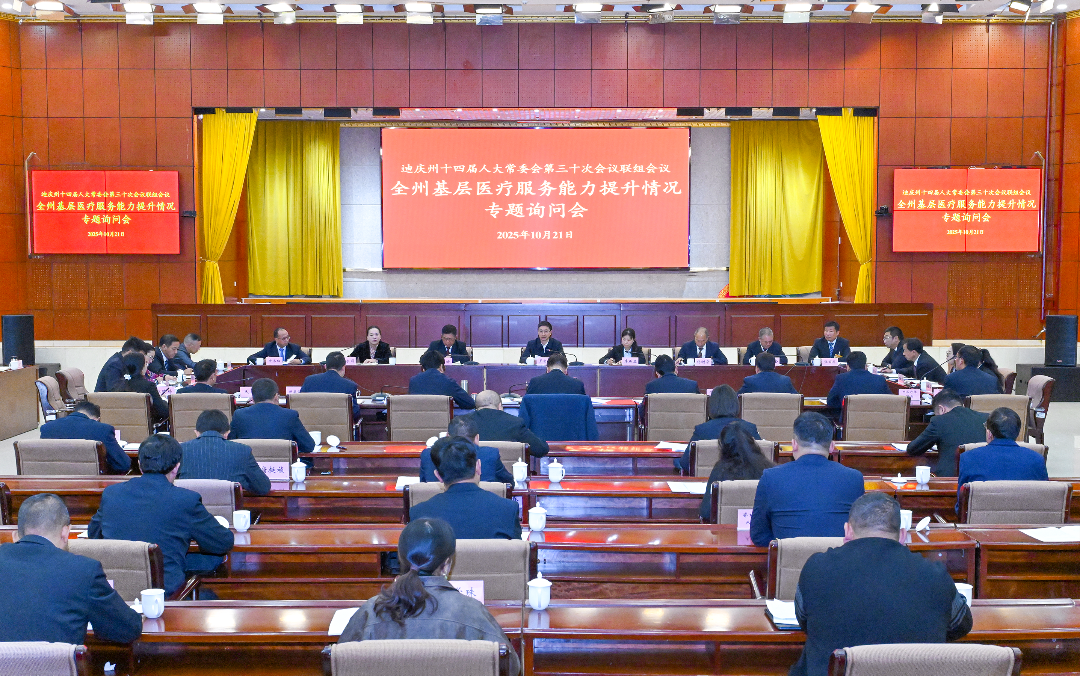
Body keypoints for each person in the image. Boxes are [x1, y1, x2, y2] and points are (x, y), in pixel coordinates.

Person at [790, 492, 972, 676]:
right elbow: (961, 625)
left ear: (847, 531)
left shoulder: (816, 568)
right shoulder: (935, 575)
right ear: (902, 535)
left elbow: (803, 620)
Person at [338, 518, 521, 676]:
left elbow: (341, 664)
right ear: (447, 564)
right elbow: (510, 667)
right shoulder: (473, 611)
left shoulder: (372, 610)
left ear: (401, 560)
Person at [89, 434, 235, 597]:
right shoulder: (186, 500)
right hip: (163, 592)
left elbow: (94, 534)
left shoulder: (111, 493)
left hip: (117, 589)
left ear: (139, 464)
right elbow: (222, 543)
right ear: (177, 467)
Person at [0, 493, 142, 644]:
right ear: (65, 532)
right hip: (57, 660)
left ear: (16, 535)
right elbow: (128, 629)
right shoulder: (84, 570)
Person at [749, 412, 865, 547]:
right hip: (838, 559)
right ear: (832, 447)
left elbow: (759, 535)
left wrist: (786, 545)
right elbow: (859, 533)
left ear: (794, 445)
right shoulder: (854, 478)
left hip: (790, 559)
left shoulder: (771, 477)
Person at [409, 437, 522, 540]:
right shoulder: (508, 509)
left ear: (438, 476)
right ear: (478, 467)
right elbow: (517, 554)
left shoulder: (419, 514)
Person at [957, 407, 1048, 509]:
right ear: (1017, 433)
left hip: (981, 519)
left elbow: (961, 506)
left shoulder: (968, 458)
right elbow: (1044, 503)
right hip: (1024, 519)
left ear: (989, 433)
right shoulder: (1037, 459)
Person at [179, 410, 271, 496]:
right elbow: (263, 487)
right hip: (229, 508)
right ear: (227, 433)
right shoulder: (242, 451)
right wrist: (243, 483)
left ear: (196, 433)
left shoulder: (180, 449)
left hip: (189, 507)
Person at [698, 423, 775, 521]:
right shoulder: (770, 470)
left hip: (726, 529)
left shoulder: (720, 470)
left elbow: (705, 511)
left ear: (724, 447)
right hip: (762, 527)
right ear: (752, 442)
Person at [907, 389, 988, 478]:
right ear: (962, 405)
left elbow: (913, 449)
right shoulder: (986, 418)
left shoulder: (939, 421)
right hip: (983, 477)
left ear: (941, 409)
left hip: (950, 479)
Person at [229, 377, 316, 456]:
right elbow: (309, 446)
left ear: (253, 398)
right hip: (282, 466)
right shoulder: (289, 415)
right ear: (276, 397)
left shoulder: (239, 415)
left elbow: (230, 444)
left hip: (247, 466)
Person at [39, 400, 131, 473]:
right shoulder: (103, 429)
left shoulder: (47, 428)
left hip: (55, 482)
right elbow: (123, 464)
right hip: (93, 483)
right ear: (97, 419)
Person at [419, 416, 515, 484]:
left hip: (438, 506)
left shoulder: (428, 455)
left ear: (447, 436)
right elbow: (509, 485)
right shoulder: (490, 454)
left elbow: (423, 488)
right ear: (477, 438)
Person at [465, 390, 549, 457]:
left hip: (471, 472)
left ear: (476, 407)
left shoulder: (463, 423)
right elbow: (541, 449)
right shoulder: (515, 423)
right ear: (500, 406)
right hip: (507, 472)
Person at [300, 350, 361, 419]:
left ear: (325, 366)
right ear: (343, 367)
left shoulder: (309, 380)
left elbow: (300, 405)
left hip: (312, 424)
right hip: (339, 425)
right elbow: (355, 413)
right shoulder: (350, 385)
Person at [111, 352, 169, 424]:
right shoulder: (148, 386)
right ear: (141, 367)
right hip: (146, 425)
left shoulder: (118, 386)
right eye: (145, 363)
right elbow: (163, 412)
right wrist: (164, 400)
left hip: (123, 425)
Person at [409, 349, 476, 409]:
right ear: (441, 366)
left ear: (423, 368)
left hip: (418, 418)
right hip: (441, 418)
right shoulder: (448, 382)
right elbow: (470, 404)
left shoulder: (413, 381)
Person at [825, 351, 891, 410]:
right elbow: (891, 401)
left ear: (848, 367)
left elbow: (830, 401)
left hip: (849, 418)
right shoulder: (880, 380)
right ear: (866, 366)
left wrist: (844, 406)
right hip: (875, 419)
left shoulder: (841, 378)